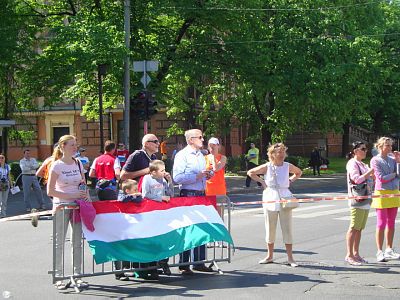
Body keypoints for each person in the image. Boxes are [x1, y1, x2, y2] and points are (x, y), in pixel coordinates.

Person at [247, 143, 302, 267]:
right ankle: (269, 256)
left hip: (284, 197)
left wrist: (290, 180)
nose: (282, 154)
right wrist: (262, 182)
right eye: (279, 152)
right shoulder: (268, 166)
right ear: (272, 154)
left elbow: (298, 172)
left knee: (287, 228)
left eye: (283, 151)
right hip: (270, 196)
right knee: (270, 228)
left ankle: (290, 258)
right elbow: (251, 172)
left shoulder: (288, 166)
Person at [47, 135, 89, 290]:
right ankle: (59, 277)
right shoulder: (57, 165)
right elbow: (50, 191)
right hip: (61, 207)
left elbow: (83, 183)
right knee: (59, 243)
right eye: (72, 145)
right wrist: (72, 196)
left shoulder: (78, 163)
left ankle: (77, 276)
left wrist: (86, 197)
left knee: (77, 242)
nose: (75, 147)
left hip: (77, 207)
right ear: (63, 146)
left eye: (76, 145)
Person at [173, 129, 214, 275]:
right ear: (191, 140)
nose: (203, 140)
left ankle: (199, 261)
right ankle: (184, 264)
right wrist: (197, 176)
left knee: (202, 227)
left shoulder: (201, 155)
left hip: (201, 194)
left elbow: (204, 174)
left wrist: (208, 174)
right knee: (188, 228)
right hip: (188, 194)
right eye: (200, 137)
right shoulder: (182, 155)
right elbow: (177, 177)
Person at [119, 133, 160, 280]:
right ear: (146, 143)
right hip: (134, 201)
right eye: (155, 141)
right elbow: (123, 176)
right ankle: (139, 269)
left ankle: (151, 266)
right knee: (137, 235)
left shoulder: (154, 158)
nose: (157, 143)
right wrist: (144, 171)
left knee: (150, 235)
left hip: (149, 201)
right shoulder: (137, 155)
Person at [370, 137, 400, 262]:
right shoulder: (375, 160)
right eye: (387, 145)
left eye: (390, 145)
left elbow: (399, 174)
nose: (390, 148)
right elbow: (382, 178)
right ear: (380, 146)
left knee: (391, 223)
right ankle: (379, 251)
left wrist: (398, 162)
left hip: (394, 192)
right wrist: (394, 175)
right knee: (381, 223)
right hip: (382, 193)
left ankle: (389, 249)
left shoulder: (393, 159)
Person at [141, 159, 173, 276]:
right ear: (153, 172)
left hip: (162, 213)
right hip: (151, 213)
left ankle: (164, 262)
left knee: (164, 239)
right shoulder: (147, 179)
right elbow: (145, 194)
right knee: (153, 239)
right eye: (162, 170)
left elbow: (170, 194)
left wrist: (169, 181)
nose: (164, 172)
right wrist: (160, 198)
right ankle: (152, 266)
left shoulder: (163, 179)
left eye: (164, 170)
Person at [345, 141, 374, 266]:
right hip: (357, 198)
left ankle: (356, 253)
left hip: (366, 197)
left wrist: (371, 174)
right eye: (363, 149)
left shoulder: (362, 163)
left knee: (359, 228)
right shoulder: (352, 163)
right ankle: (349, 255)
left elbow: (370, 178)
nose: (365, 151)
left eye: (366, 149)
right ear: (355, 151)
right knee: (353, 227)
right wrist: (369, 172)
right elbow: (356, 179)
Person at [205, 137, 227, 220]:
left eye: (214, 146)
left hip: (219, 190)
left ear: (218, 146)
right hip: (208, 190)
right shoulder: (205, 158)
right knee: (209, 217)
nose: (212, 148)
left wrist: (213, 157)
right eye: (210, 146)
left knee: (219, 217)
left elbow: (216, 169)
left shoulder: (223, 158)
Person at [0, 154, 12, 218]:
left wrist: (11, 185)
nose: (1, 159)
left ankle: (3, 215)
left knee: (4, 201)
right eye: (0, 158)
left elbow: (9, 176)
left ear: (5, 158)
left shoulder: (7, 166)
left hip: (6, 184)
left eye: (2, 158)